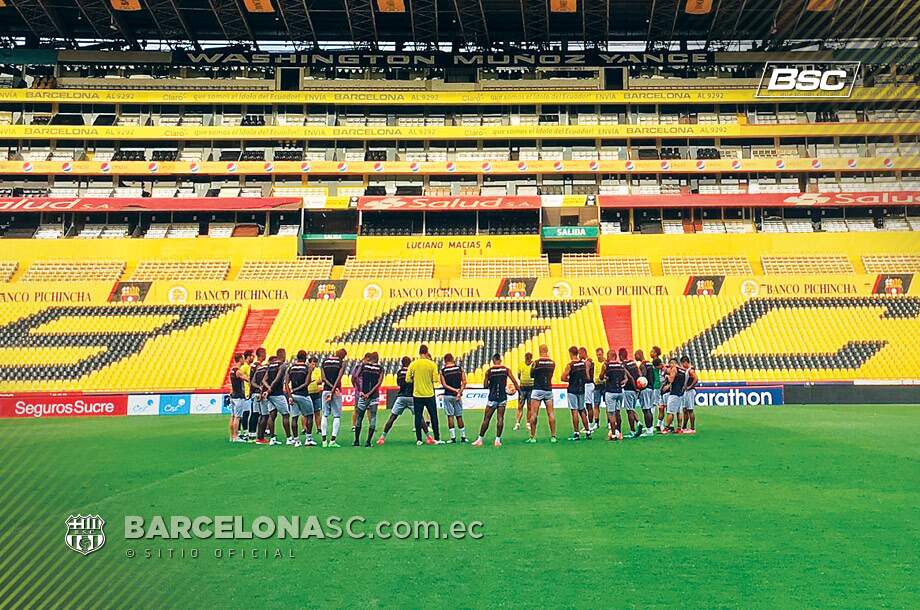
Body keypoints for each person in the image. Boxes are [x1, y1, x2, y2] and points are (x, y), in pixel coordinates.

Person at [377, 356, 433, 446]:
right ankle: (428, 437)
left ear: (402, 363)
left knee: (392, 417)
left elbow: (398, 383)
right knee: (420, 418)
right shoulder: (412, 371)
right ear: (410, 363)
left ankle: (382, 437)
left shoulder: (399, 372)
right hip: (412, 397)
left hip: (401, 397)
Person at [472, 353, 520, 447]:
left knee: (486, 419)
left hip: (492, 398)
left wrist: (488, 380)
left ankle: (480, 439)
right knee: (500, 418)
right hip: (502, 398)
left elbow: (485, 386)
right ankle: (497, 440)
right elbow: (514, 381)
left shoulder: (489, 371)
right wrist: (520, 392)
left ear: (493, 361)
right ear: (500, 360)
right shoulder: (506, 370)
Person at [406, 344, 442, 445]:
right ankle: (437, 438)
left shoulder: (413, 364)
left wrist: (416, 379)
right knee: (433, 416)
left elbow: (407, 379)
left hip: (417, 394)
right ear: (427, 352)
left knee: (418, 417)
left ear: (419, 353)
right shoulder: (432, 364)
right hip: (429, 394)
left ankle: (419, 439)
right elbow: (435, 380)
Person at [527, 344, 557, 444]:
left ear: (539, 351)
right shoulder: (552, 363)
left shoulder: (536, 362)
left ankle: (532, 437)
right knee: (551, 413)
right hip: (548, 389)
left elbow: (531, 375)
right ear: (547, 350)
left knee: (534, 413)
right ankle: (553, 436)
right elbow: (551, 374)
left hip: (537, 389)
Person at [286, 350, 317, 447]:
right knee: (310, 416)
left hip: (293, 395)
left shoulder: (291, 368)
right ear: (305, 357)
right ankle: (308, 439)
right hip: (303, 395)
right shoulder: (306, 368)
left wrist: (290, 395)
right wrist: (310, 372)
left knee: (294, 417)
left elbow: (286, 383)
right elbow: (307, 382)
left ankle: (296, 440)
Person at [263, 348, 293, 445]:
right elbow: (277, 379)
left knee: (272, 415)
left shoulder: (271, 365)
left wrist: (268, 389)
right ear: (283, 355)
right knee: (286, 415)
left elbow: (264, 380)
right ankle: (289, 438)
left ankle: (272, 439)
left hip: (270, 395)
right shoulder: (282, 365)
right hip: (278, 394)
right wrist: (270, 389)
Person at [561, 346, 591, 441]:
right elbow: (587, 376)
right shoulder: (583, 364)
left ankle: (576, 433)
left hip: (573, 389)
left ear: (570, 353)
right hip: (581, 389)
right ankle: (587, 431)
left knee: (574, 411)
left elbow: (563, 377)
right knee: (582, 410)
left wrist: (570, 379)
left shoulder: (570, 365)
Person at [354, 352, 383, 447]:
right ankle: (368, 442)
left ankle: (356, 441)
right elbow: (379, 383)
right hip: (373, 396)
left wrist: (360, 390)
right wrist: (369, 394)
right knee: (373, 417)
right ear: (377, 359)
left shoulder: (364, 366)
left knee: (359, 417)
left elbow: (355, 377)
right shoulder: (380, 369)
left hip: (363, 395)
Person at [601, 348, 631, 441]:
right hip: (619, 392)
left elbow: (601, 377)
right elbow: (626, 378)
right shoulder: (621, 365)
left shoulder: (607, 365)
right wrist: (623, 382)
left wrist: (605, 376)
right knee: (618, 412)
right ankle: (619, 432)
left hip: (610, 392)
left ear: (610, 356)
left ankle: (613, 434)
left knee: (611, 413)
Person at [320, 348, 347, 448]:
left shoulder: (325, 361)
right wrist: (333, 390)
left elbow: (323, 378)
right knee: (336, 415)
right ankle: (332, 440)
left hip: (325, 390)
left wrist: (329, 388)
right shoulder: (341, 363)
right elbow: (338, 378)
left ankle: (324, 441)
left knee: (325, 414)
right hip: (336, 391)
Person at [439, 353, 467, 443]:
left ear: (445, 360)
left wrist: (454, 390)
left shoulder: (443, 371)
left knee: (450, 416)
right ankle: (463, 437)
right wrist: (459, 392)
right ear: (452, 359)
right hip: (457, 396)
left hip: (448, 395)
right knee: (459, 416)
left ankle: (453, 438)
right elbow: (464, 382)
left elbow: (444, 385)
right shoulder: (459, 369)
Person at [250, 347, 270, 444]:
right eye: (265, 353)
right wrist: (260, 389)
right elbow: (257, 381)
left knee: (257, 414)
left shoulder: (254, 365)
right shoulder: (258, 366)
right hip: (258, 393)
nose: (266, 355)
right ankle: (256, 435)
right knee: (259, 414)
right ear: (262, 354)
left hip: (255, 392)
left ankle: (253, 434)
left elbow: (252, 381)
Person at [660, 358, 686, 435]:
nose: (670, 366)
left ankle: (666, 428)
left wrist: (667, 377)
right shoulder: (682, 370)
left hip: (674, 393)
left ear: (673, 363)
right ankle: (679, 428)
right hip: (680, 393)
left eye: (670, 364)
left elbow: (671, 380)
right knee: (679, 411)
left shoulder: (674, 369)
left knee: (670, 412)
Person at [635, 349, 656, 437]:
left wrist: (640, 387)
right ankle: (650, 428)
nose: (635, 357)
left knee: (646, 409)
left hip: (645, 389)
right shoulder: (650, 364)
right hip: (651, 388)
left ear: (639, 355)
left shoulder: (643, 365)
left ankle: (649, 430)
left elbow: (642, 378)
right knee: (649, 409)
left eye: (635, 355)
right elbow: (654, 377)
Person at [228, 353, 247, 442]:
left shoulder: (232, 370)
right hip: (239, 396)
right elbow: (247, 379)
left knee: (232, 416)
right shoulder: (238, 371)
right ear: (240, 359)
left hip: (233, 396)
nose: (244, 360)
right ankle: (236, 436)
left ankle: (232, 436)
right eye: (243, 358)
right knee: (237, 417)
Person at [622, 348, 641, 436]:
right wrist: (639, 386)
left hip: (629, 389)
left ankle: (632, 431)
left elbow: (630, 377)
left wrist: (634, 387)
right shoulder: (633, 362)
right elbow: (639, 373)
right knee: (632, 409)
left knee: (629, 410)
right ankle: (638, 422)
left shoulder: (623, 365)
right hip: (637, 389)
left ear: (621, 356)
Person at [350, 353, 370, 432]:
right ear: (364, 358)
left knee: (369, 408)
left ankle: (370, 425)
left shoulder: (369, 368)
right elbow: (353, 378)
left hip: (368, 390)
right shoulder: (358, 367)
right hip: (359, 391)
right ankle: (354, 425)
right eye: (367, 360)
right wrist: (356, 387)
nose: (368, 362)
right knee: (356, 408)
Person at [514, 352, 534, 432]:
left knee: (529, 406)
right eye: (527, 357)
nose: (528, 359)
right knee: (520, 406)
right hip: (522, 388)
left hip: (531, 388)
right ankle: (517, 423)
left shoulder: (533, 365)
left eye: (529, 358)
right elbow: (519, 375)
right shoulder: (521, 364)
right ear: (525, 357)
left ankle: (528, 423)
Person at [237, 350, 254, 440]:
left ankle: (241, 432)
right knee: (245, 413)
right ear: (248, 357)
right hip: (245, 393)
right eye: (252, 356)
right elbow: (240, 377)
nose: (253, 357)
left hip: (247, 393)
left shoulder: (248, 367)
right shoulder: (245, 367)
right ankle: (243, 432)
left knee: (245, 413)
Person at [680, 356, 699, 434]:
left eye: (682, 363)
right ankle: (684, 427)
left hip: (690, 391)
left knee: (690, 410)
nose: (682, 365)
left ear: (685, 362)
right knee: (685, 410)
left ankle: (692, 428)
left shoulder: (691, 370)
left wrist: (690, 387)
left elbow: (696, 378)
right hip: (687, 391)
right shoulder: (688, 370)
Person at [307, 356, 323, 438]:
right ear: (309, 363)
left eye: (315, 363)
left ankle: (319, 428)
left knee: (317, 412)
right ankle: (305, 428)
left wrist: (313, 381)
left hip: (316, 393)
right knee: (306, 413)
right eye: (312, 363)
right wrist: (313, 381)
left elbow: (320, 380)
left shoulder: (318, 370)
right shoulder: (306, 370)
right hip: (307, 393)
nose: (313, 365)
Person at [581, 347, 595, 433]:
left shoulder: (588, 362)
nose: (579, 355)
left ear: (583, 353)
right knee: (587, 404)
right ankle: (588, 424)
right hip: (588, 384)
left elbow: (587, 371)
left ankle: (589, 425)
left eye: (580, 353)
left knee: (588, 404)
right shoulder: (589, 361)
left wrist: (587, 378)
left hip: (588, 384)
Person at [592, 347, 606, 432]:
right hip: (597, 385)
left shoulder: (606, 362)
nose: (598, 356)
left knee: (608, 404)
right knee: (596, 404)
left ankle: (609, 422)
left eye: (600, 354)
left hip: (605, 385)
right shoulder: (594, 362)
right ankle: (596, 422)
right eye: (597, 354)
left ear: (603, 354)